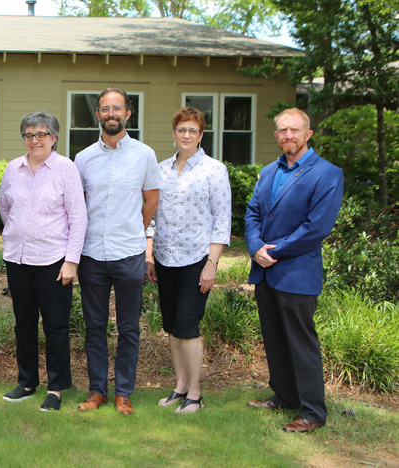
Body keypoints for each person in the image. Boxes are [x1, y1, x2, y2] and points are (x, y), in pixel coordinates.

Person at [245, 108, 343, 433]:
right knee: (274, 339)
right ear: (276, 136)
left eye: (295, 130)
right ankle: (285, 396)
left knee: (302, 344)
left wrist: (272, 250)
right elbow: (252, 214)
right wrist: (255, 245)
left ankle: (313, 411)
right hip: (266, 272)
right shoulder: (268, 171)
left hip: (297, 273)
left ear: (308, 134)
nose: (288, 136)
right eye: (283, 130)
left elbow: (316, 228)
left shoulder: (327, 174)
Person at [74, 87, 162, 415]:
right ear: (97, 115)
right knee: (94, 326)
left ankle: (124, 392)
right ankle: (97, 391)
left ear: (128, 114)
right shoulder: (82, 159)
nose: (111, 114)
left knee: (128, 327)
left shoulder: (144, 155)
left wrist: (134, 230)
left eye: (117, 108)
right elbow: (77, 205)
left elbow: (151, 200)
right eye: (105, 109)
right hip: (92, 255)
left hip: (129, 254)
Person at [145, 107, 231, 414]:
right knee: (171, 327)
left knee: (188, 326)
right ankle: (180, 387)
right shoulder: (161, 169)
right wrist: (150, 253)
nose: (186, 135)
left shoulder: (213, 170)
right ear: (174, 133)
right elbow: (153, 213)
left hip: (197, 259)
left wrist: (212, 263)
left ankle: (195, 393)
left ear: (201, 135)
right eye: (181, 130)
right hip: (166, 258)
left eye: (192, 131)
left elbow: (222, 220)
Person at [0, 111, 86, 412]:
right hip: (18, 260)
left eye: (41, 134)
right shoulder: (13, 168)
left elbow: (78, 218)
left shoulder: (65, 169)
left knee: (56, 326)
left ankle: (56, 388)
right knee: (23, 324)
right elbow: (5, 209)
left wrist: (71, 261)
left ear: (53, 138)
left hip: (54, 261)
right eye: (28, 135)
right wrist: (21, 233)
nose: (34, 140)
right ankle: (26, 382)